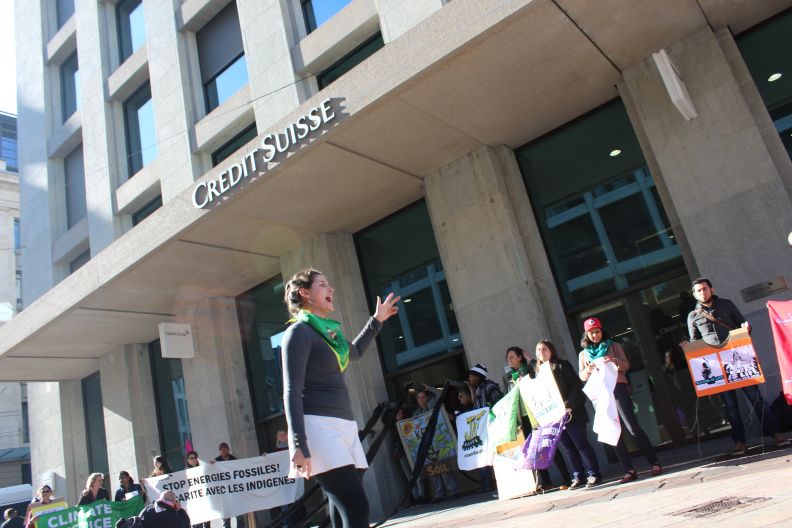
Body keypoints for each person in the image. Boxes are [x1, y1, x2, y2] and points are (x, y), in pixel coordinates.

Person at [281, 268, 400, 528]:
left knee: (342, 506)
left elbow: (354, 351)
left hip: (344, 425)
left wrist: (376, 320)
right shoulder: (298, 333)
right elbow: (291, 391)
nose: (331, 289)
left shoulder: (327, 333)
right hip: (318, 428)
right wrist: (299, 443)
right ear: (305, 293)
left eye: (329, 284)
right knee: (356, 506)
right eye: (323, 285)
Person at [686, 277, 790, 455]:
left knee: (755, 398)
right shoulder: (692, 316)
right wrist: (687, 347)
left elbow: (743, 325)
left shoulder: (726, 305)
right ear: (694, 294)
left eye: (704, 288)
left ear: (711, 289)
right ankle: (740, 442)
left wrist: (746, 328)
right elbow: (694, 341)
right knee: (730, 407)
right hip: (716, 365)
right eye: (698, 290)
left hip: (738, 359)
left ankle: (777, 434)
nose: (702, 292)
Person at [579, 317, 662, 483]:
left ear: (602, 331)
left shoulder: (614, 346)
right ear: (586, 335)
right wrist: (587, 370)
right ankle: (628, 470)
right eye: (591, 333)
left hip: (618, 388)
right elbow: (582, 376)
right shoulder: (583, 354)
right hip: (600, 394)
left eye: (597, 331)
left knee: (632, 427)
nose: (595, 335)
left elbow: (626, 365)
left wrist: (615, 361)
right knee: (612, 429)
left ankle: (654, 462)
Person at [535, 340, 601, 489]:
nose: (541, 352)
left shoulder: (561, 365)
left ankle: (594, 473)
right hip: (555, 416)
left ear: (551, 350)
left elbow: (576, 386)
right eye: (538, 350)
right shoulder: (539, 372)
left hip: (572, 412)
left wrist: (569, 405)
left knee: (581, 444)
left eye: (544, 349)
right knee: (568, 447)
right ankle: (578, 476)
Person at [504, 347, 570, 493]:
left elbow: (541, 375)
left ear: (520, 357)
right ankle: (545, 482)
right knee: (533, 450)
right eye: (508, 358)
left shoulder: (529, 369)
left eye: (512, 357)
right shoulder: (508, 377)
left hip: (537, 413)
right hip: (523, 417)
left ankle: (566, 477)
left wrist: (531, 360)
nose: (509, 360)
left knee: (549, 445)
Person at [411, 386, 458, 502]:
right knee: (432, 470)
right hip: (427, 445)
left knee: (444, 466)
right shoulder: (415, 414)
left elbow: (441, 393)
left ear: (427, 398)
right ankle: (439, 494)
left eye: (423, 397)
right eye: (419, 397)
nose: (421, 399)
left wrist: (428, 388)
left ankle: (453, 491)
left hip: (439, 441)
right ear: (416, 400)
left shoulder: (433, 406)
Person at [214, 443, 245, 528]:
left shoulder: (234, 460)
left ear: (228, 449)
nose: (224, 450)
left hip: (235, 492)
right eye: (222, 449)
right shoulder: (215, 461)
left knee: (240, 517)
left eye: (225, 448)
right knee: (226, 520)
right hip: (224, 494)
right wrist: (211, 465)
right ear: (220, 451)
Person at [184, 451, 210, 528]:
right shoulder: (184, 472)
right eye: (191, 458)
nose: (194, 459)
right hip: (194, 503)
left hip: (205, 501)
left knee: (207, 525)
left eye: (195, 458)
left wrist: (212, 465)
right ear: (187, 460)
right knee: (197, 525)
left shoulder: (202, 468)